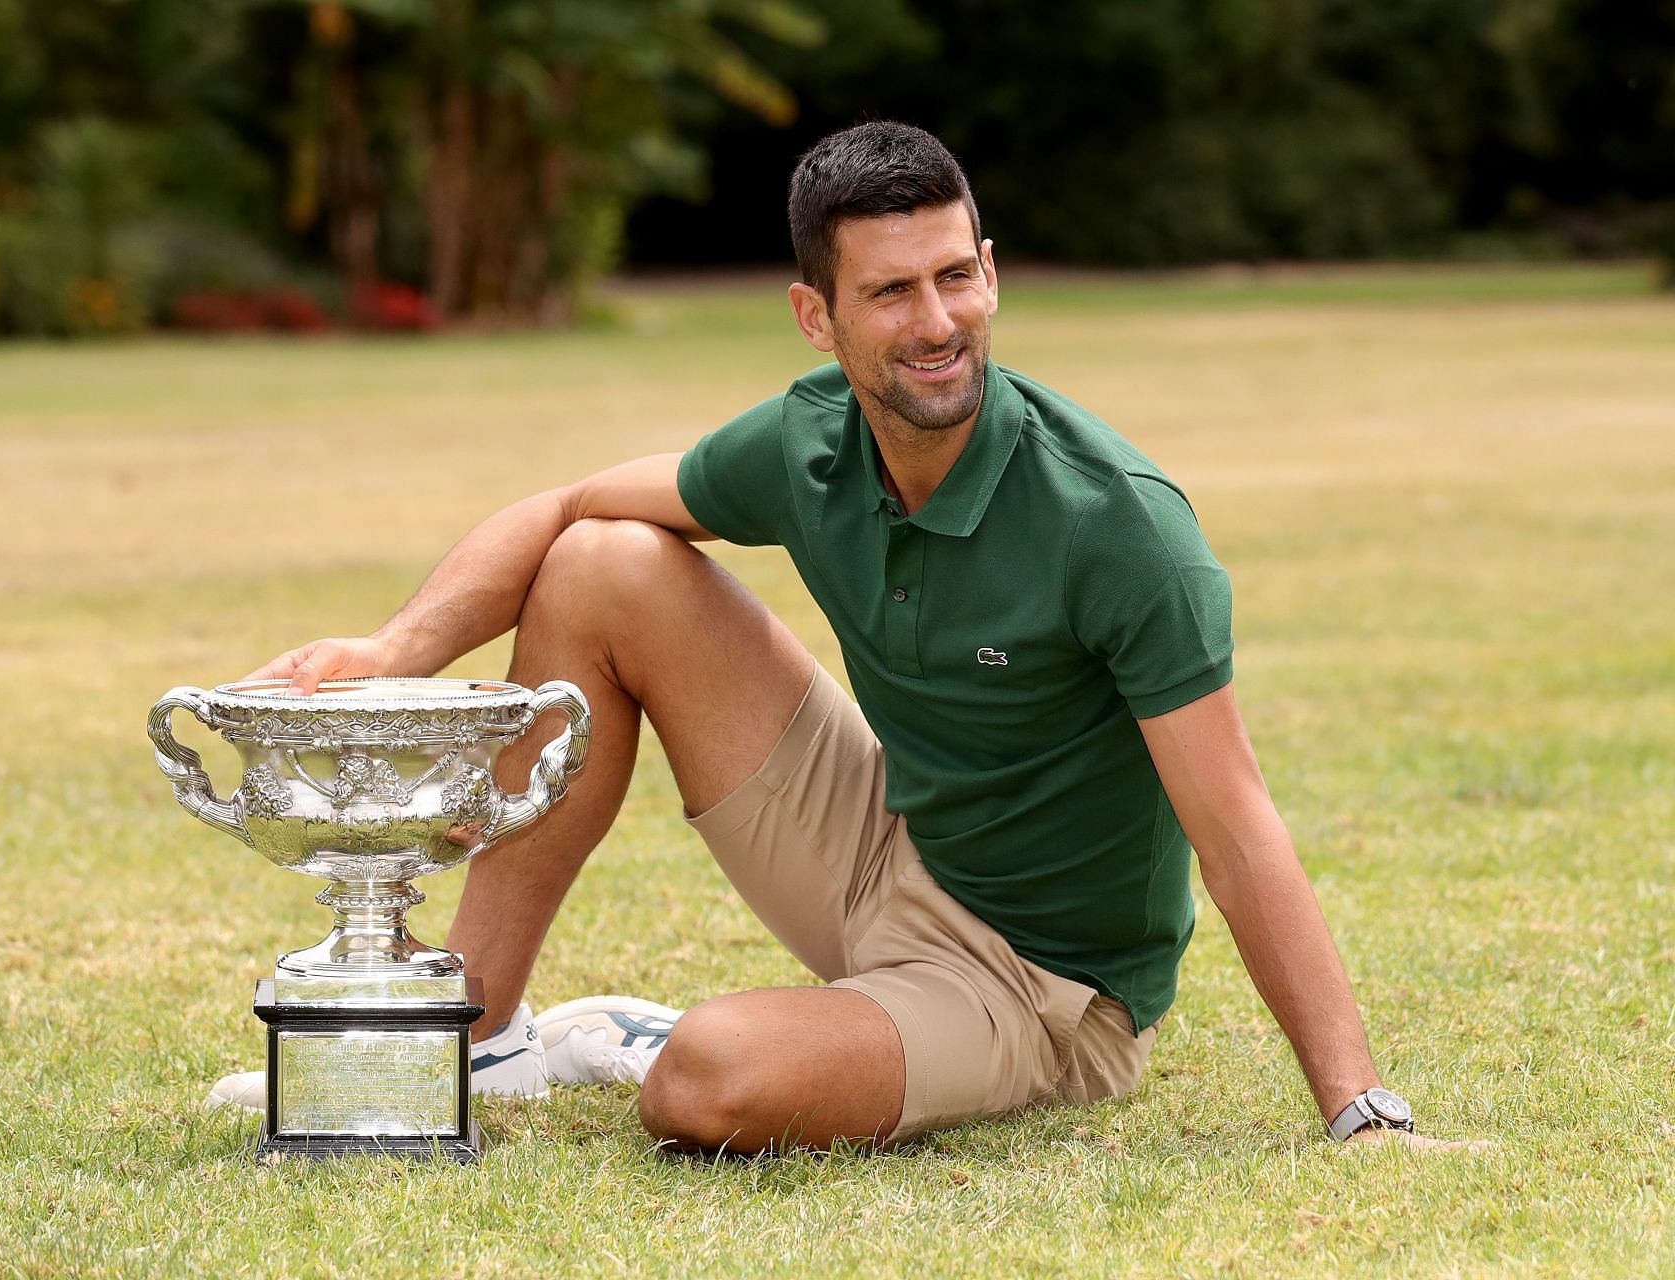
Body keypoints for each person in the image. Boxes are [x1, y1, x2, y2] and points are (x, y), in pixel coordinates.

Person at [212, 121, 1461, 1153]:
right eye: (893, 291)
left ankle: (649, 1034)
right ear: (818, 316)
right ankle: (467, 1034)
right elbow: (563, 505)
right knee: (602, 562)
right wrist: (392, 653)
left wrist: (1362, 1109)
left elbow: (1239, 832)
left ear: (990, 268)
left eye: (957, 275)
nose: (938, 323)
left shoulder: (1118, 525)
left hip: (1035, 985)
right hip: (884, 839)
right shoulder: (814, 439)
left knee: (706, 1079)